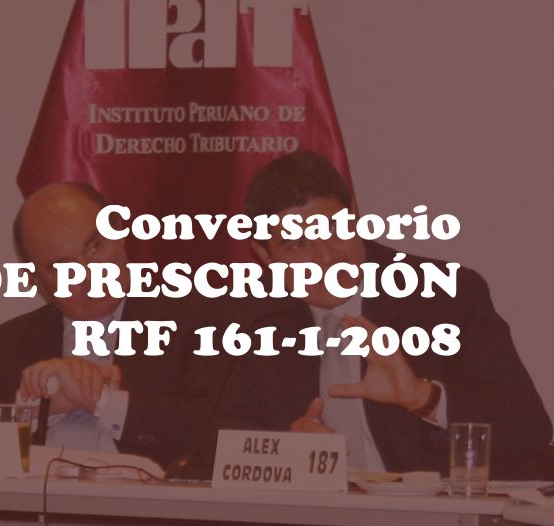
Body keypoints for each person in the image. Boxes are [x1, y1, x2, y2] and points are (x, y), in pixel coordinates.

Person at [217, 150, 551, 479]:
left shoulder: (443, 295)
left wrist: (423, 398)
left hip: (440, 512)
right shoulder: (253, 320)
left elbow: (528, 429)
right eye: (298, 245)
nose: (325, 257)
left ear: (355, 214)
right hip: (321, 515)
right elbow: (213, 442)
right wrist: (284, 451)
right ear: (264, 254)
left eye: (334, 231)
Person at [0, 182, 263, 469]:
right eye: (63, 266)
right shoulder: (6, 345)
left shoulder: (199, 320)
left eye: (95, 247)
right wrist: (39, 404)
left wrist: (100, 401)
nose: (89, 273)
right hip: (30, 507)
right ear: (35, 279)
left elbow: (217, 438)